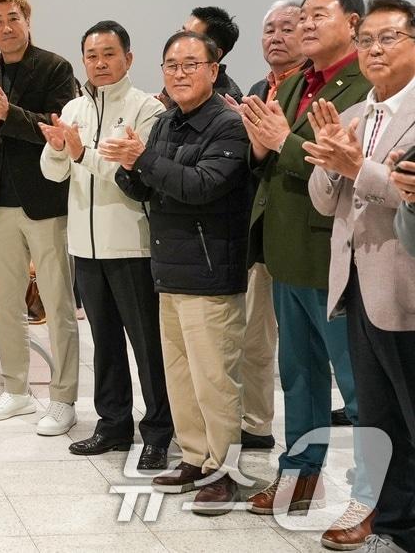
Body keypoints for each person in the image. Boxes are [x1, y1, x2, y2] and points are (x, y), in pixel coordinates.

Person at [241, 0, 370, 541]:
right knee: (299, 377)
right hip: (287, 253)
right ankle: (300, 476)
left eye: (319, 15)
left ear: (353, 22)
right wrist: (259, 143)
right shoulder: (296, 82)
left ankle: (373, 495)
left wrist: (279, 142)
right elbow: (268, 160)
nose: (306, 24)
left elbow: (339, 167)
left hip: (334, 255)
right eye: (304, 16)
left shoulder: (365, 84)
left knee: (358, 385)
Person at [109, 31, 250, 515]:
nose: (180, 73)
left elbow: (203, 185)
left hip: (211, 272)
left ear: (214, 69)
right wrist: (130, 167)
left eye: (191, 64)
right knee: (182, 377)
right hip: (169, 269)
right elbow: (146, 187)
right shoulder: (167, 121)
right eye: (171, 65)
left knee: (215, 379)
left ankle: (226, 470)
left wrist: (143, 160)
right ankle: (194, 457)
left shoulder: (229, 126)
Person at [307, 0, 415, 552]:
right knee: (379, 420)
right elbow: (326, 203)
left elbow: (405, 193)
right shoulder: (354, 114)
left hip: (405, 289)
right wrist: (331, 162)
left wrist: (357, 167)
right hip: (355, 285)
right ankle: (394, 527)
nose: (374, 49)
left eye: (388, 38)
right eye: (367, 40)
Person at [39, 20, 170, 470]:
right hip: (85, 246)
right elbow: (53, 174)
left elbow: (137, 178)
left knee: (147, 346)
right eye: (91, 55)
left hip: (131, 246)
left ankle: (157, 431)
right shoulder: (74, 108)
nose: (99, 63)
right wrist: (59, 148)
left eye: (109, 53)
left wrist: (80, 154)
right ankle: (112, 424)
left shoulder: (147, 109)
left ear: (128, 58)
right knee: (105, 342)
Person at [0, 0, 80, 435]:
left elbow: (55, 129)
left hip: (45, 203)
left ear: (27, 21)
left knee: (56, 302)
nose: (6, 27)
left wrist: (7, 114)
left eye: (13, 18)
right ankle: (16, 391)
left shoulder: (54, 67)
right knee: (6, 304)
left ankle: (63, 397)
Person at [235, 0, 306, 454]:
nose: (276, 37)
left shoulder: (316, 89)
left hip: (305, 233)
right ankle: (256, 425)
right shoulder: (257, 90)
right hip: (261, 234)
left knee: (303, 351)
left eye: (286, 27)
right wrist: (258, 149)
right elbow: (251, 166)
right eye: (269, 30)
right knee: (254, 339)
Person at [183, 6, 246, 101]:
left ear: (215, 53)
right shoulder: (179, 79)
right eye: (182, 32)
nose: (178, 42)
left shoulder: (226, 100)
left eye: (190, 37)